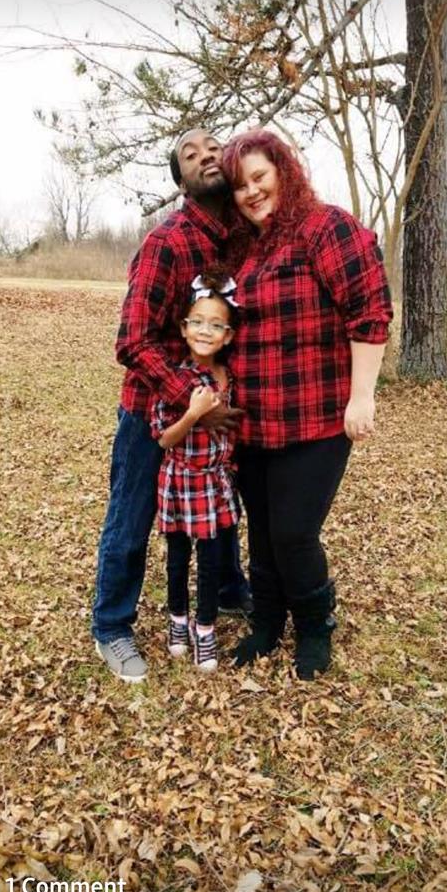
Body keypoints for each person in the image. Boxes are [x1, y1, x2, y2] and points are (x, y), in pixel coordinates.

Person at [221, 129, 393, 681]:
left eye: (259, 177)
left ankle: (315, 626)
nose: (251, 192)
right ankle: (268, 623)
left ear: (283, 172)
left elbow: (369, 312)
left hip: (317, 418)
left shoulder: (327, 227)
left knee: (294, 531)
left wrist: (362, 395)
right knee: (264, 530)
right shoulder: (243, 251)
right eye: (240, 185)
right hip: (254, 422)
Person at [92, 127, 252, 683]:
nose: (206, 155)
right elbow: (131, 341)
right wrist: (194, 401)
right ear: (180, 179)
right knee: (132, 517)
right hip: (151, 410)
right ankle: (111, 626)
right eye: (191, 154)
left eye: (214, 147)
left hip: (219, 409)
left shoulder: (239, 239)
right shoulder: (169, 243)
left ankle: (229, 589)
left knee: (219, 499)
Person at [150, 275, 241, 673]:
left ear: (227, 335)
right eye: (198, 322)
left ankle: (204, 630)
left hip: (215, 483)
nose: (206, 331)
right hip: (181, 480)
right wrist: (193, 413)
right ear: (185, 329)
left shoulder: (229, 376)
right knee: (177, 558)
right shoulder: (176, 379)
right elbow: (164, 440)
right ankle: (177, 622)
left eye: (216, 325)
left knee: (212, 560)